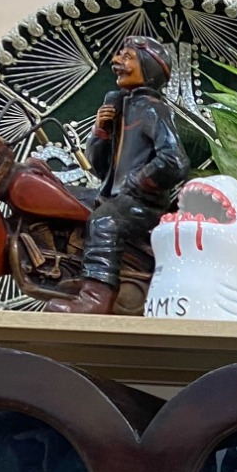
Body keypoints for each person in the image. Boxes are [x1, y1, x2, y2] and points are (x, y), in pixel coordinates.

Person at [50, 35, 188, 315]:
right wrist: (101, 132)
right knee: (62, 199)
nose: (116, 61)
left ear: (148, 67)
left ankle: (95, 299)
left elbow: (174, 161)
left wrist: (137, 183)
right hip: (115, 195)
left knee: (105, 221)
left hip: (142, 203)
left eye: (127, 57)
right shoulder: (123, 107)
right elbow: (100, 168)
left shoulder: (152, 109)